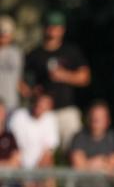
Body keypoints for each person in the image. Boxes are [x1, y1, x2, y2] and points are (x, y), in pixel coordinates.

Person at [22, 10, 90, 151]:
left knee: (74, 150)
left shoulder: (71, 51)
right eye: (50, 25)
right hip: (43, 113)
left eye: (57, 26)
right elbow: (21, 82)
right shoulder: (34, 54)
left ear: (62, 30)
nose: (53, 30)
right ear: (44, 28)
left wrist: (65, 75)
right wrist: (31, 92)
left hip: (66, 110)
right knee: (41, 153)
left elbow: (85, 77)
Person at [0, 15, 23, 112]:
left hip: (11, 103)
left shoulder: (16, 53)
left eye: (6, 33)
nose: (3, 36)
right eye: (1, 33)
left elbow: (19, 80)